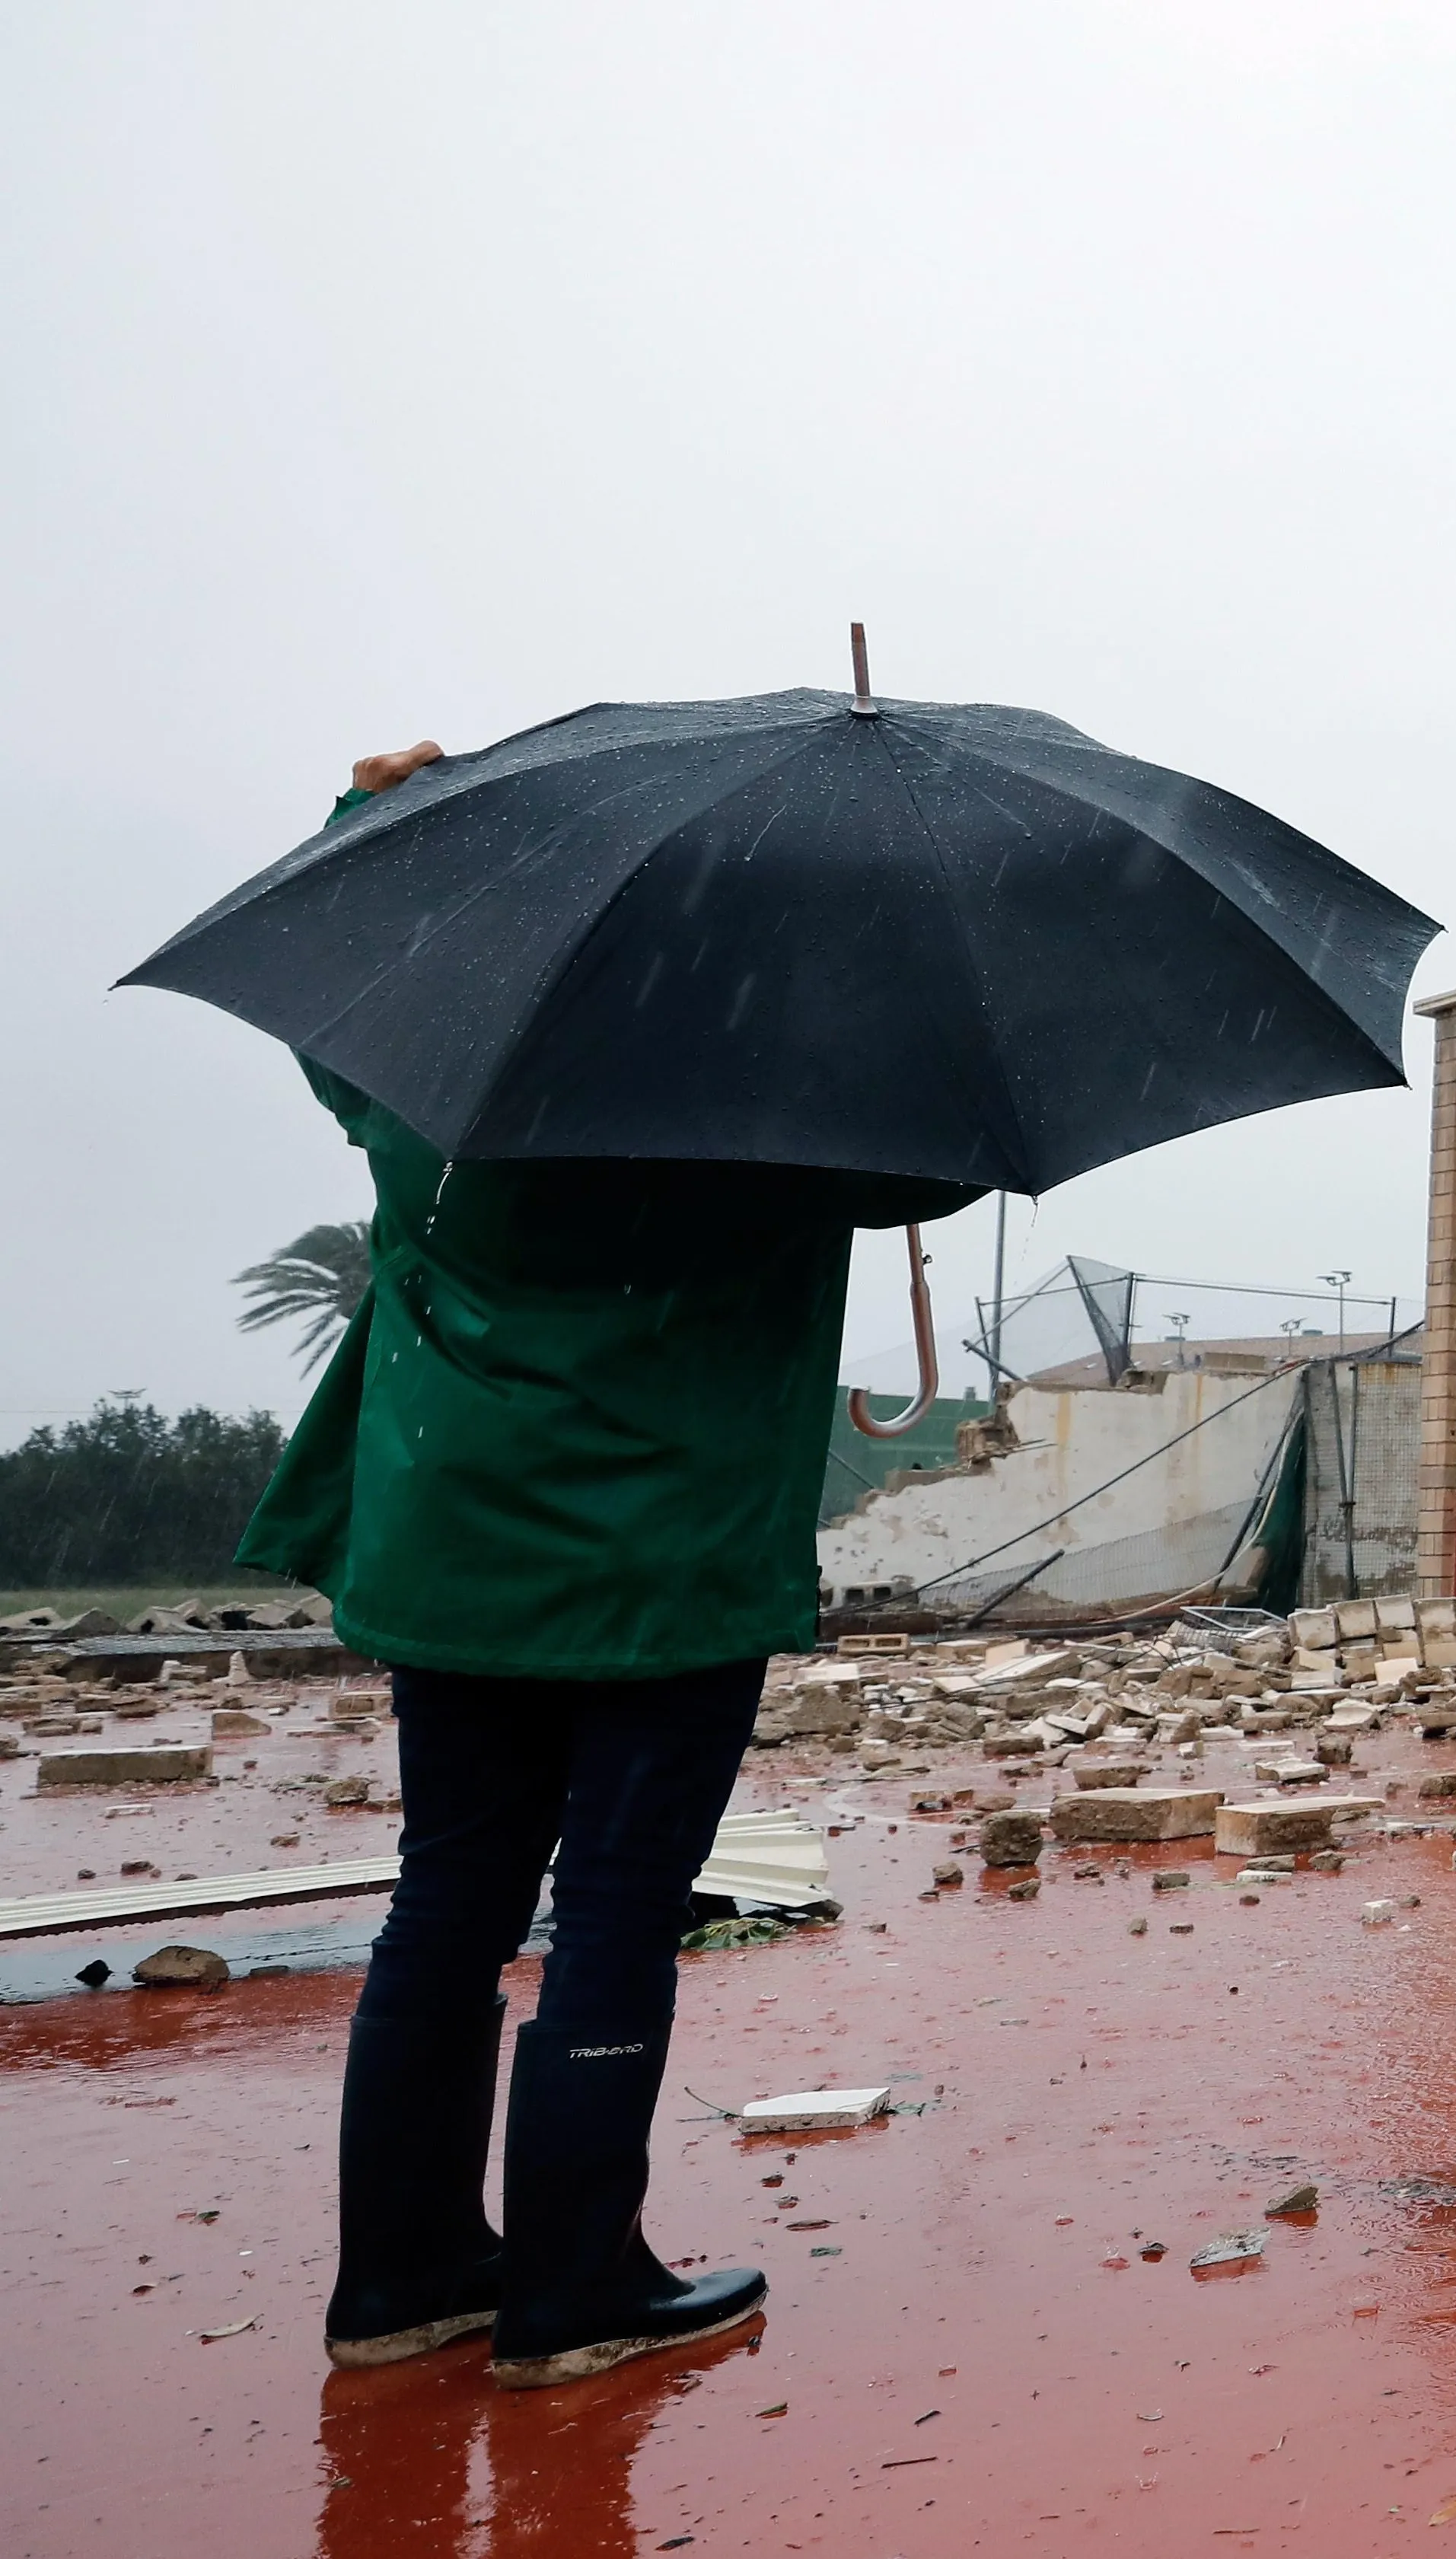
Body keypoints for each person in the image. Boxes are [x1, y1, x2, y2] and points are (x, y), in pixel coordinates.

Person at [269, 740, 983, 2385]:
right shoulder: (777, 1093)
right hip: (663, 1568)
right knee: (613, 1914)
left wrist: (368, 817)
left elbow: (347, 994)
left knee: (443, 1903)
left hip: (452, 1552)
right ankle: (573, 2283)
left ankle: (402, 2276)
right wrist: (891, 966)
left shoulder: (431, 1079)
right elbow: (946, 1154)